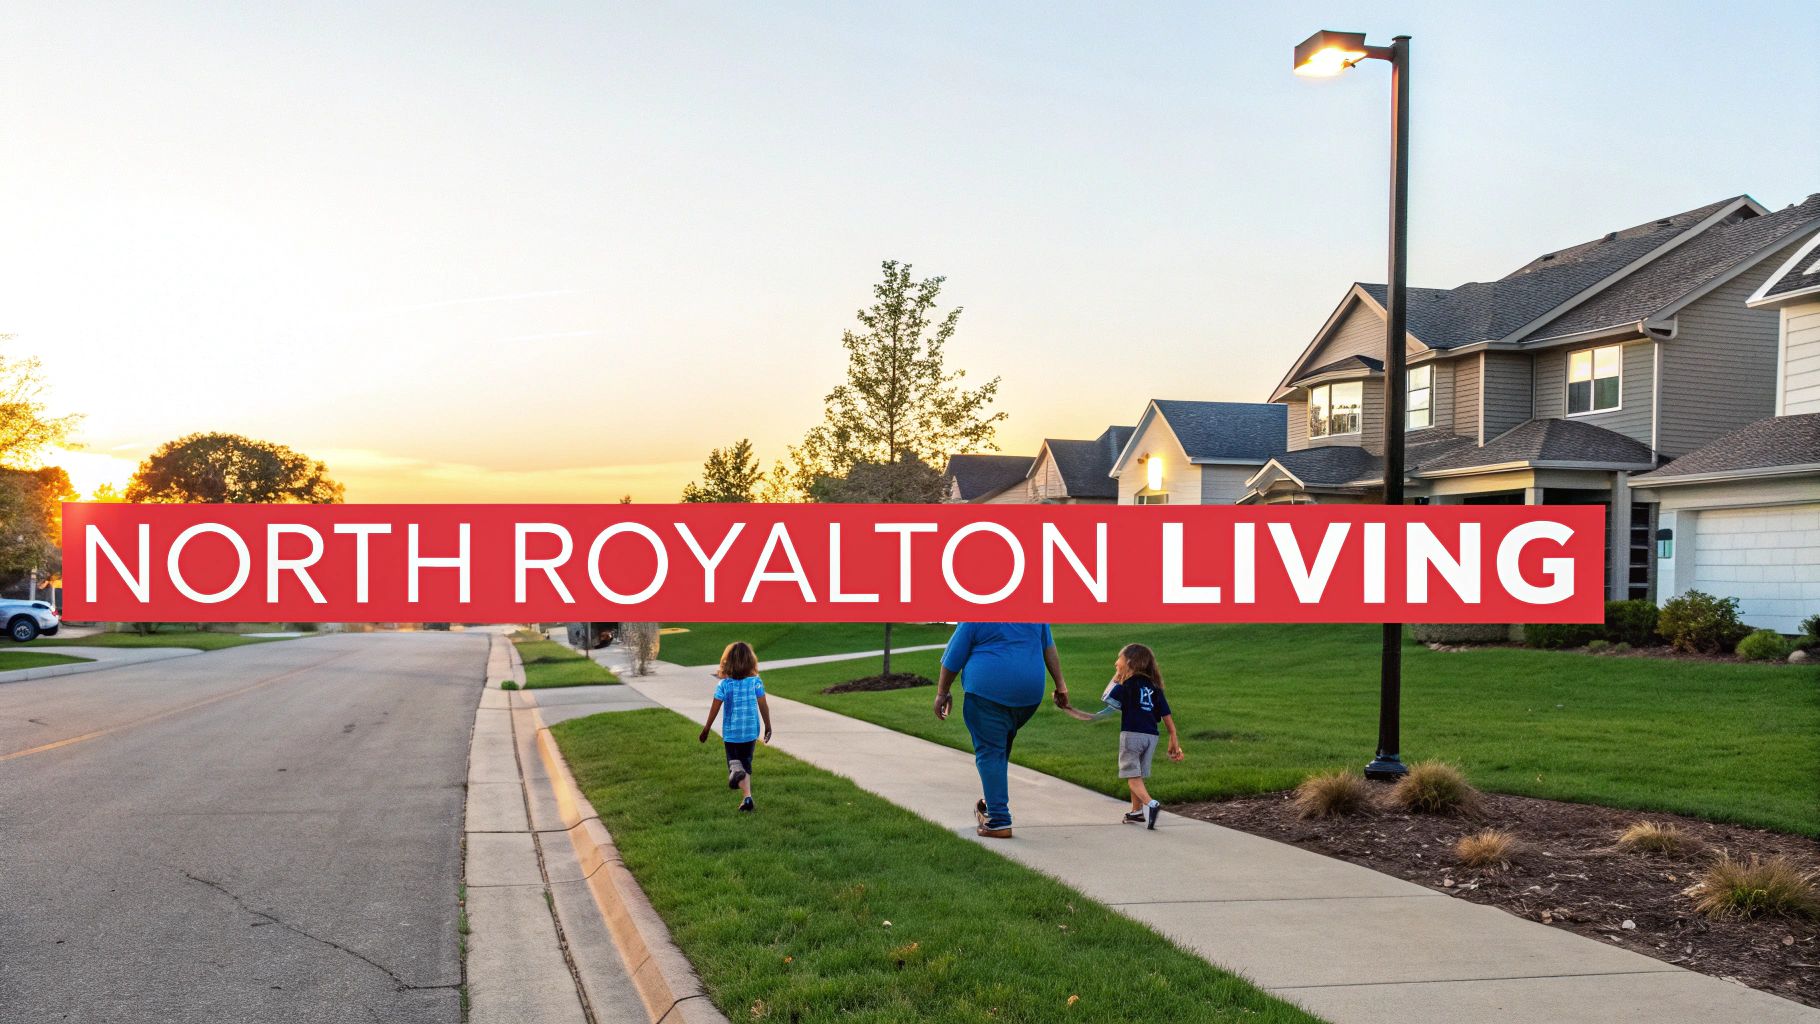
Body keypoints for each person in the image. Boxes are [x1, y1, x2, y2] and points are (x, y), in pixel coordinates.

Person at [934, 622, 1072, 839]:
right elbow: (1048, 647)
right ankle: (992, 801)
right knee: (999, 746)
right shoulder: (1034, 611)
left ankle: (999, 820)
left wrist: (942, 693)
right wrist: (1061, 685)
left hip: (987, 694)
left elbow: (953, 658)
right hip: (1027, 699)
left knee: (990, 751)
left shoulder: (976, 613)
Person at [1094, 643, 1184, 829]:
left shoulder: (1128, 684)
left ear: (1129, 662)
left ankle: (1151, 804)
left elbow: (1107, 697)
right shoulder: (1154, 686)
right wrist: (1173, 736)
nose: (1115, 663)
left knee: (1132, 776)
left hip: (1132, 735)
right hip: (1151, 736)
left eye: (1119, 660)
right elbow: (1166, 714)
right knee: (1138, 774)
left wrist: (1117, 676)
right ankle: (1136, 812)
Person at [698, 641, 772, 813]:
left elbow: (715, 708)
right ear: (751, 661)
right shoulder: (756, 682)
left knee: (734, 765)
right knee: (746, 765)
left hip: (732, 733)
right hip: (750, 732)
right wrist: (768, 725)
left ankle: (736, 778)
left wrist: (706, 728)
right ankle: (747, 798)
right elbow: (763, 705)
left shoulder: (724, 685)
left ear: (727, 662)